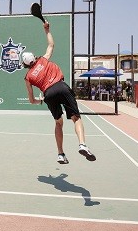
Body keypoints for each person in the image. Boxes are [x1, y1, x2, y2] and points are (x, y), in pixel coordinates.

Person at [22, 21, 96, 164]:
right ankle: (82, 145)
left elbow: (32, 101)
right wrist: (47, 29)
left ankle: (61, 154)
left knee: (58, 123)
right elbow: (51, 45)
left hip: (48, 94)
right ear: (34, 58)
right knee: (76, 118)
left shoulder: (28, 77)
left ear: (25, 64)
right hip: (61, 87)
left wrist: (41, 100)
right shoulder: (43, 60)